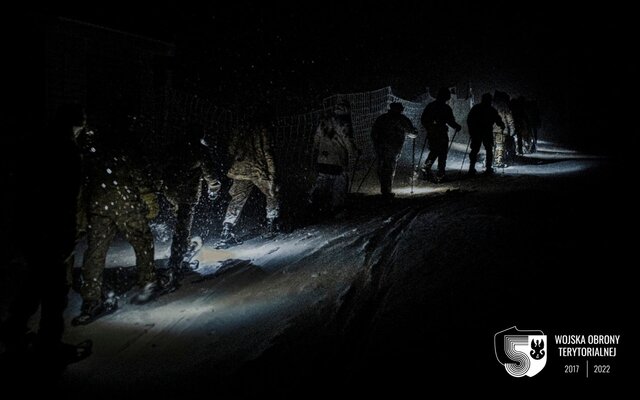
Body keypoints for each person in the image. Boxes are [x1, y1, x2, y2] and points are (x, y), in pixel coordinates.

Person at [0, 104, 91, 371]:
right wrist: (66, 235)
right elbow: (64, 199)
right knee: (54, 290)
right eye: (82, 123)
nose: (84, 128)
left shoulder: (37, 143)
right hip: (49, 231)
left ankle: (13, 330)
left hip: (30, 228)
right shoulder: (66, 150)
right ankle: (48, 347)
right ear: (75, 124)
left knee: (35, 282)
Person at [72, 110, 161, 325]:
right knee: (142, 240)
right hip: (126, 203)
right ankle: (147, 280)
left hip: (99, 204)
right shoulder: (127, 146)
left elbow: (84, 182)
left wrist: (81, 213)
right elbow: (140, 176)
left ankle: (91, 298)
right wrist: (150, 201)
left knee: (96, 250)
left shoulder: (93, 149)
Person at [161, 123, 220, 284]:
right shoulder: (199, 150)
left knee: (179, 221)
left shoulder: (174, 146)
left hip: (170, 190)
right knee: (182, 226)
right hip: (186, 193)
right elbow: (209, 172)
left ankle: (182, 246)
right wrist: (214, 187)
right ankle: (176, 263)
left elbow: (161, 165)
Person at [217, 109, 279, 247]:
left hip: (240, 169)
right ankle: (271, 223)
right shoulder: (263, 129)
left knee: (237, 199)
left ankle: (226, 230)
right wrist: (273, 173)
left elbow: (231, 150)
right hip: (258, 169)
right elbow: (267, 151)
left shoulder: (239, 129)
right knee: (272, 192)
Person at [309, 99, 359, 215]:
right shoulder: (344, 123)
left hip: (323, 158)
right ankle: (337, 208)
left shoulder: (324, 121)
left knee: (322, 181)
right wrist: (355, 153)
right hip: (338, 160)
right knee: (340, 184)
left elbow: (316, 139)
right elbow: (348, 141)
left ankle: (315, 204)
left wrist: (316, 150)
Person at [370, 102, 418, 197]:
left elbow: (373, 133)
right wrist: (415, 132)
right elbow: (412, 133)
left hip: (381, 147)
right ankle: (386, 190)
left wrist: (376, 143)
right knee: (389, 167)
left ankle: (385, 188)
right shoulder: (402, 119)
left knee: (382, 167)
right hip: (393, 147)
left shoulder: (382, 118)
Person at [420, 88, 462, 182]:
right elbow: (450, 121)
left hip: (433, 133)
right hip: (441, 133)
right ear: (445, 96)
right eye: (448, 95)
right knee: (442, 153)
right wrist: (456, 126)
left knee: (434, 151)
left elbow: (423, 119)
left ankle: (427, 169)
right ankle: (440, 174)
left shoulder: (431, 106)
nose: (449, 97)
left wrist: (429, 127)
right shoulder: (445, 108)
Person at [466, 93, 505, 175]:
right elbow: (498, 121)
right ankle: (487, 168)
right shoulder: (491, 110)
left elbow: (469, 120)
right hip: (486, 132)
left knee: (475, 149)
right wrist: (502, 125)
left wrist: (471, 130)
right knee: (488, 149)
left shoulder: (476, 108)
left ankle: (472, 168)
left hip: (477, 132)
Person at [492, 91, 515, 168]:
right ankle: (498, 161)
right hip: (501, 130)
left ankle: (493, 160)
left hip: (491, 130)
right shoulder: (505, 107)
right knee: (500, 146)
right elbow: (510, 120)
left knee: (493, 146)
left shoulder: (491, 105)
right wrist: (512, 130)